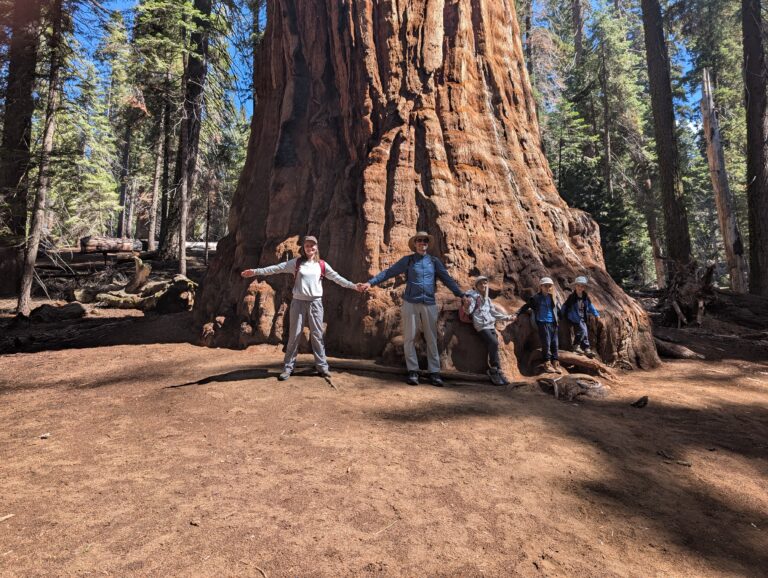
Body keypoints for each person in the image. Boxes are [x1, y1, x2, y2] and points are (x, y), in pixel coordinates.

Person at [241, 236, 358, 381]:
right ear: (303, 248)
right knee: (294, 335)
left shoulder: (321, 265)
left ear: (316, 247)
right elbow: (276, 269)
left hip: (315, 303)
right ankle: (288, 368)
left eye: (312, 245)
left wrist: (353, 286)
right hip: (298, 303)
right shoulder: (296, 263)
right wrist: (255, 271)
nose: (310, 248)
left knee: (317, 335)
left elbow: (337, 278)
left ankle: (322, 367)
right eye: (307, 245)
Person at [358, 231, 465, 386]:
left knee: (431, 338)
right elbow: (389, 272)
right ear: (415, 244)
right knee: (409, 338)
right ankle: (412, 371)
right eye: (419, 241)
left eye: (425, 241)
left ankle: (434, 372)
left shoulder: (434, 262)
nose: (422, 243)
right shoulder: (408, 261)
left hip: (429, 303)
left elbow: (447, 279)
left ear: (428, 244)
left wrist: (460, 294)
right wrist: (370, 283)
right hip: (410, 303)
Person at [462, 276, 515, 386]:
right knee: (493, 342)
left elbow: (493, 312)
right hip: (481, 325)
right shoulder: (473, 297)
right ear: (476, 286)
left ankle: (499, 371)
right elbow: (469, 311)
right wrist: (466, 306)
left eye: (485, 283)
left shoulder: (487, 299)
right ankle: (493, 370)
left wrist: (507, 317)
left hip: (490, 325)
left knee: (495, 345)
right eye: (481, 284)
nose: (483, 285)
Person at [516, 277, 562, 374]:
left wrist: (561, 317)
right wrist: (517, 314)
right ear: (541, 286)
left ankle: (556, 363)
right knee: (546, 343)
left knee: (555, 344)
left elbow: (558, 310)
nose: (548, 288)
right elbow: (526, 306)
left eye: (550, 286)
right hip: (542, 322)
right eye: (545, 286)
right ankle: (547, 363)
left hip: (553, 323)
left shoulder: (553, 297)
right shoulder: (536, 298)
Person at [562, 275, 600, 358]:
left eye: (582, 286)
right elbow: (565, 306)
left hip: (582, 317)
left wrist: (596, 314)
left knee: (585, 332)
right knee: (582, 331)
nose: (580, 287)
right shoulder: (572, 297)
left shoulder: (585, 297)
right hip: (574, 317)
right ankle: (576, 345)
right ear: (575, 286)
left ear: (584, 288)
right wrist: (560, 314)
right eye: (578, 285)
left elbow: (590, 306)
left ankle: (586, 348)